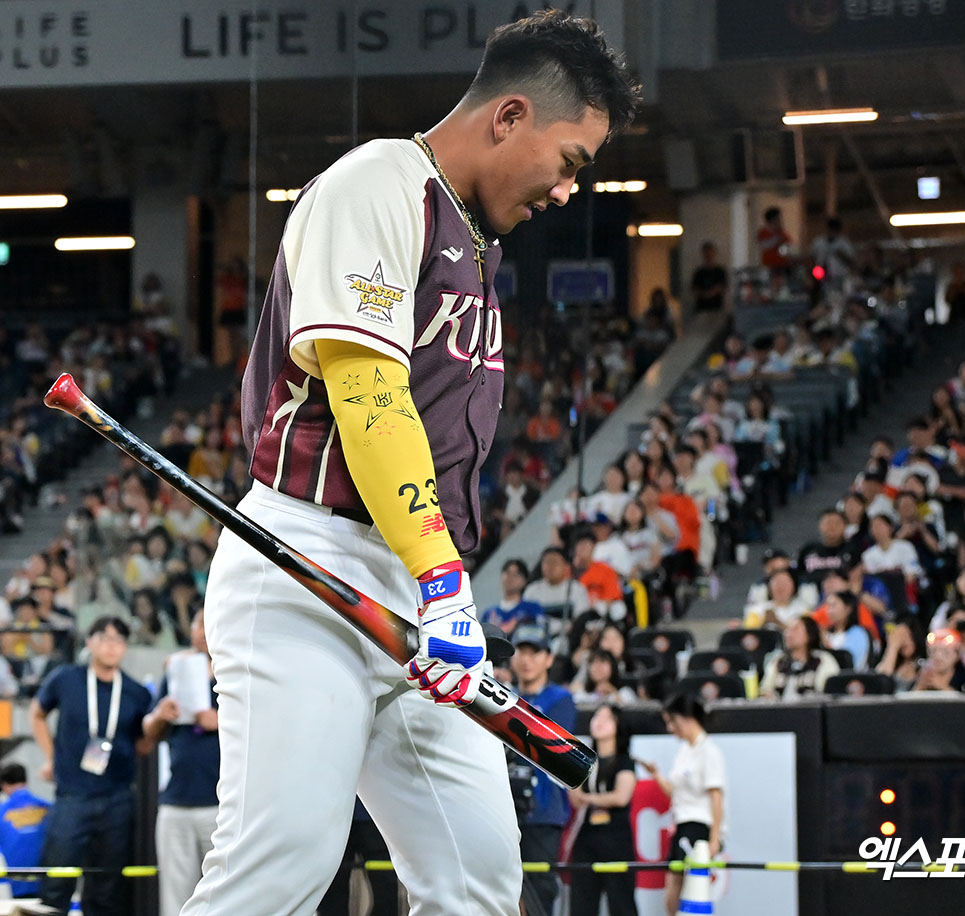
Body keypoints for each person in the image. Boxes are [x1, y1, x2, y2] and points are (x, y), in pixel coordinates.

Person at [180, 14, 638, 916]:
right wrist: (440, 578)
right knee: (279, 870)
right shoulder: (380, 182)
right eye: (572, 159)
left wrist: (440, 582)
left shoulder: (473, 237)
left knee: (476, 877)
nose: (567, 192)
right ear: (510, 116)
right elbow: (368, 396)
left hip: (417, 585)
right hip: (310, 568)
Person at [31, 616, 153, 916]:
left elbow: (142, 742)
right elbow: (36, 713)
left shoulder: (137, 692)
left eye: (119, 641)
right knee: (57, 880)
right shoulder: (66, 679)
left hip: (118, 797)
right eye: (105, 638)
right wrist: (51, 758)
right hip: (72, 793)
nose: (112, 647)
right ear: (90, 642)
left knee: (108, 886)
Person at [141, 610, 220, 916]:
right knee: (176, 898)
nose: (200, 631)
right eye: (196, 625)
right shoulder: (178, 670)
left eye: (207, 624)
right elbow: (148, 731)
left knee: (224, 894)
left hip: (221, 804)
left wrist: (222, 720)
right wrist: (160, 713)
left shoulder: (239, 672)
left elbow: (269, 726)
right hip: (176, 801)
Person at [511, 623, 577, 915]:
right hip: (506, 806)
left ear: (549, 659)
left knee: (540, 889)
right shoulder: (504, 694)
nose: (527, 660)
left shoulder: (561, 700)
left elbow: (550, 745)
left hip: (543, 811)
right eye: (521, 652)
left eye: (535, 652)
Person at [641, 693, 725, 916]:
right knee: (674, 889)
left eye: (671, 721)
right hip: (682, 824)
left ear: (685, 718)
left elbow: (717, 797)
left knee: (686, 888)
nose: (670, 728)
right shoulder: (684, 751)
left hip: (698, 826)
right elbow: (675, 793)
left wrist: (715, 838)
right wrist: (657, 775)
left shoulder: (709, 751)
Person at [567, 704, 638, 916]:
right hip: (586, 838)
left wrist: (588, 798)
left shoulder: (625, 760)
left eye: (607, 718)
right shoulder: (582, 759)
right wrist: (593, 799)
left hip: (616, 839)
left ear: (618, 726)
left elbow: (621, 797)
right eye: (597, 716)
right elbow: (574, 796)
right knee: (582, 902)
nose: (599, 721)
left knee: (621, 902)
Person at [0, 763, 51, 899]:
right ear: (26, 780)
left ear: (3, 785)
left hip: (13, 882)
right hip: (47, 880)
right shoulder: (49, 808)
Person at [760, 616, 840, 699]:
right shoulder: (778, 661)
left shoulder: (823, 660)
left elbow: (829, 693)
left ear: (810, 634)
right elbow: (765, 690)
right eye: (787, 629)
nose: (788, 634)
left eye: (795, 629)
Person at [481, 558, 545, 635]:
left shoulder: (532, 608)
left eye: (516, 574)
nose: (510, 578)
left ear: (524, 581)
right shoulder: (488, 613)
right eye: (507, 573)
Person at [690, 241, 728, 312]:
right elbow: (694, 288)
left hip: (716, 307)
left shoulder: (720, 271)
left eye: (710, 252)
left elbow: (722, 287)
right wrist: (705, 294)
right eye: (706, 253)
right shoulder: (699, 272)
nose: (708, 255)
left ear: (714, 253)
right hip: (702, 308)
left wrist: (710, 293)